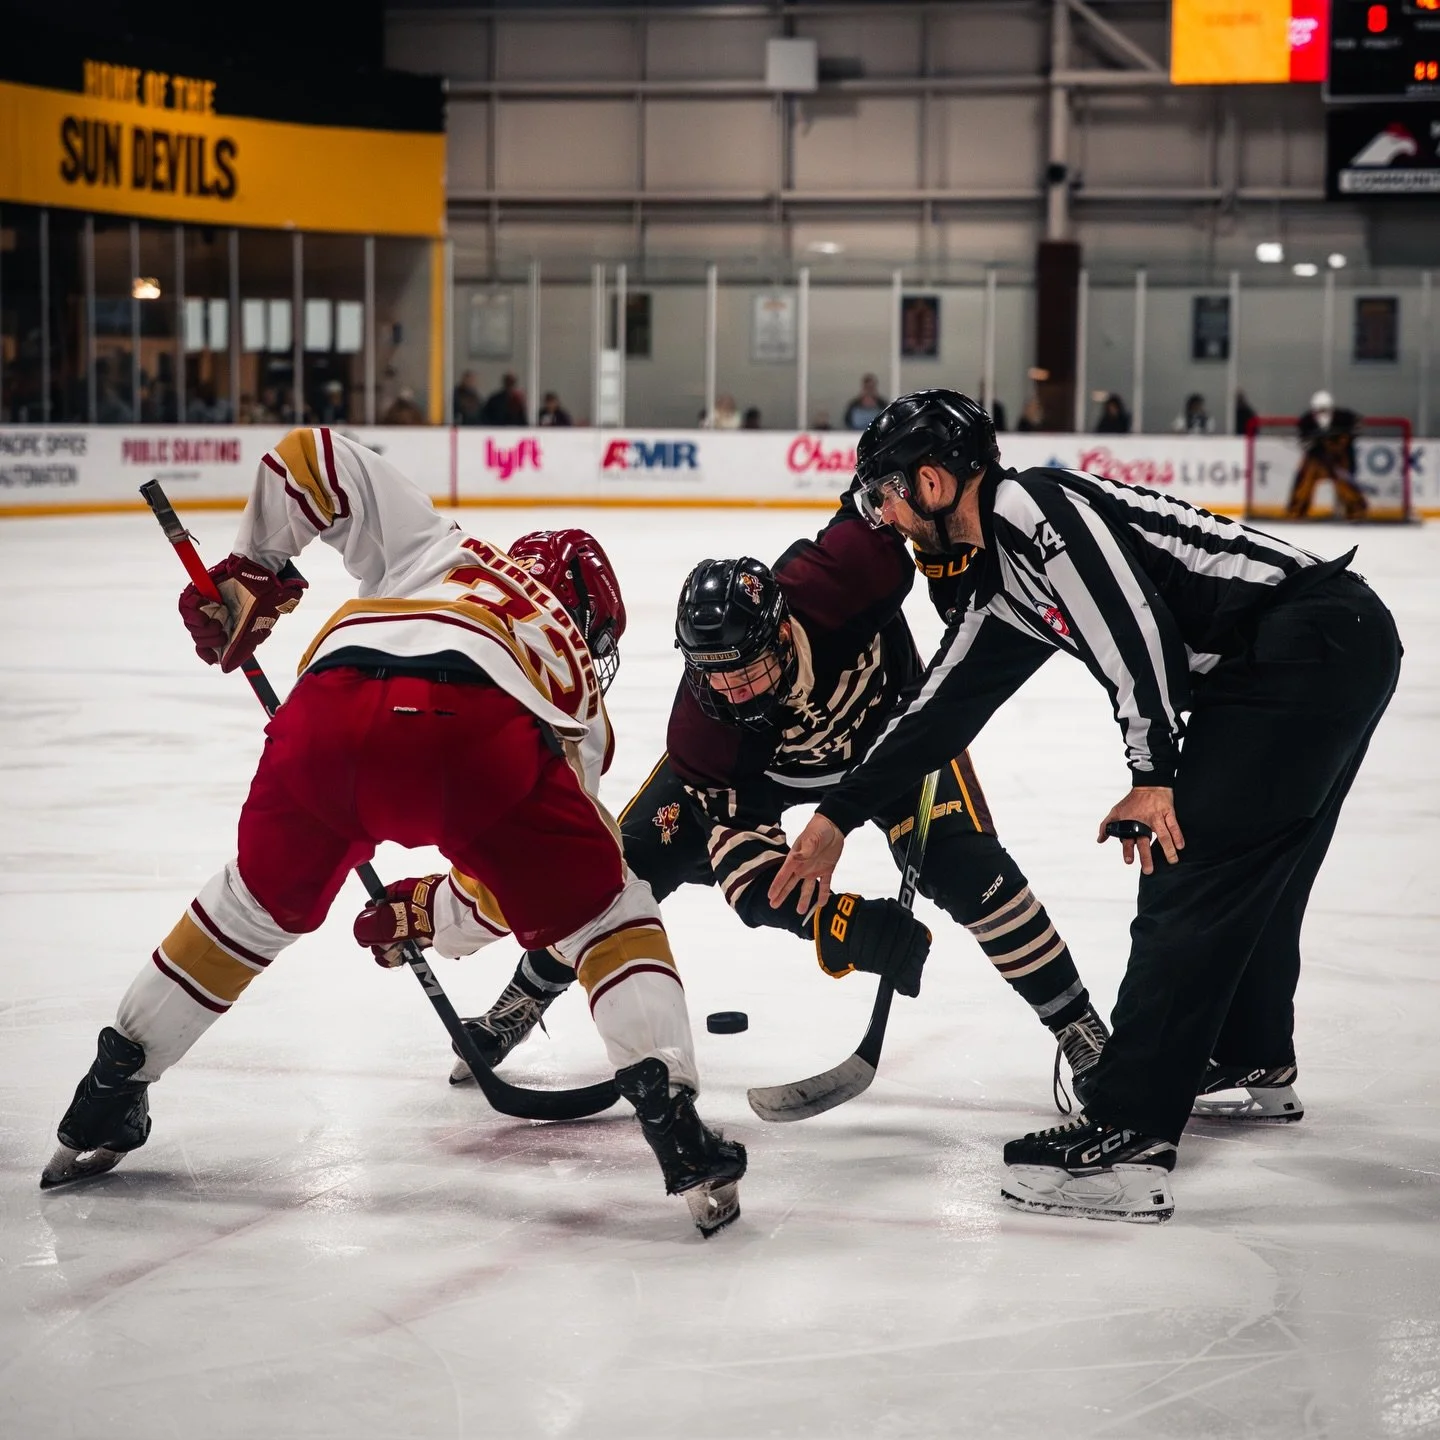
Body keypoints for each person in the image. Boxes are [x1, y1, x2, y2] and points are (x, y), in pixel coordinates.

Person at [43, 429, 745, 1236]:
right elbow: (516, 894)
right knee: (609, 911)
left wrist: (251, 571)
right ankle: (671, 1116)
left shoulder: (441, 549)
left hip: (326, 716)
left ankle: (110, 1089)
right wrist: (429, 916)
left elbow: (314, 457)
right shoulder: (580, 696)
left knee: (249, 909)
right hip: (477, 731)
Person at [771, 389, 1401, 1223]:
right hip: (1323, 648)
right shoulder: (1001, 585)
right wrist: (835, 818)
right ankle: (1253, 1057)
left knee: (1188, 869)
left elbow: (1132, 625)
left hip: (1302, 644)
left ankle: (1128, 1137)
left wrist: (1153, 772)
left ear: (932, 481)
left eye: (886, 493)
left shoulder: (1029, 506)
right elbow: (934, 714)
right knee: (1255, 870)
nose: (883, 515)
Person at [451, 506, 1110, 1110]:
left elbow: (891, 494)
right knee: (613, 874)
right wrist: (837, 922)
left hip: (894, 746)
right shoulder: (705, 732)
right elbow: (748, 877)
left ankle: (1081, 1030)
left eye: (745, 669)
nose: (732, 690)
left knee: (970, 872)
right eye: (713, 673)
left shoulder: (847, 575)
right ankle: (518, 1004)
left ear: (782, 632)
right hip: (763, 775)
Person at [1288, 390, 1366, 520]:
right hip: (1317, 460)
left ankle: (1356, 510)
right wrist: (1314, 440)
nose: (1322, 413)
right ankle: (1297, 510)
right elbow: (1303, 443)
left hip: (1339, 459)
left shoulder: (1344, 417)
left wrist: (1343, 436)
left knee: (1345, 482)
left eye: (1325, 410)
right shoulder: (1307, 421)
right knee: (1305, 479)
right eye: (1319, 410)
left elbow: (1358, 426)